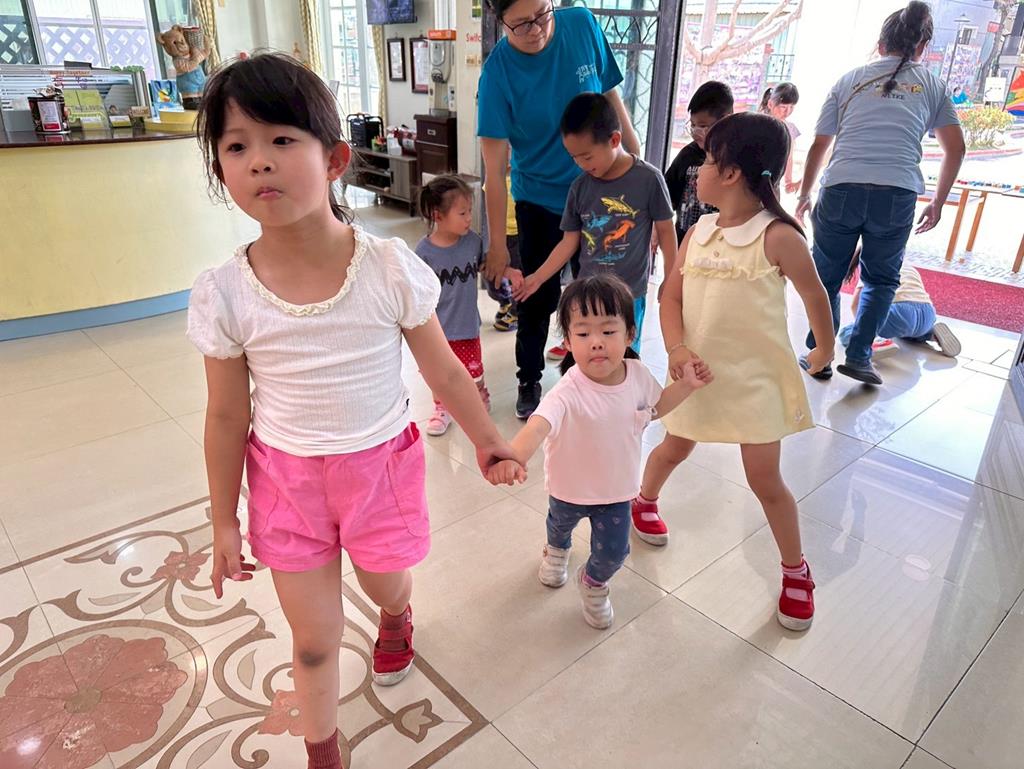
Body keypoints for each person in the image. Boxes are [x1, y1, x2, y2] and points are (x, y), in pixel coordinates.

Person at [187, 54, 515, 769]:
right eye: (237, 147)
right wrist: (222, 519)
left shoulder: (387, 267)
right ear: (221, 170)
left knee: (383, 582)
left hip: (379, 469)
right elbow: (225, 417)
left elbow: (445, 371)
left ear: (335, 159)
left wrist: (488, 439)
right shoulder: (225, 291)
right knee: (312, 640)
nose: (259, 161)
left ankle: (397, 613)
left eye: (281, 139)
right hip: (286, 481)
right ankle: (322, 752)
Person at [635, 112, 834, 630]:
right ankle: (643, 500)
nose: (696, 169)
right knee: (674, 445)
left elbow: (815, 294)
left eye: (705, 159)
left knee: (765, 478)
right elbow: (671, 298)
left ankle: (795, 569)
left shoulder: (779, 236)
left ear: (730, 174)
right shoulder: (698, 231)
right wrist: (676, 349)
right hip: (696, 376)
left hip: (755, 382)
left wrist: (824, 347)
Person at [486, 275, 713, 628]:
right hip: (569, 489)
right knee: (559, 527)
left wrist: (686, 386)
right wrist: (513, 456)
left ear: (630, 334)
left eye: (608, 331)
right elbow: (537, 426)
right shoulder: (567, 391)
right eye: (583, 333)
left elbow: (656, 407)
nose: (596, 342)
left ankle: (593, 583)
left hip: (617, 492)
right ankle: (556, 551)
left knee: (615, 552)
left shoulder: (637, 375)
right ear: (568, 340)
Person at [478, 0, 642, 419]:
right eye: (521, 24)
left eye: (542, 13)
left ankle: (592, 374)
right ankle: (529, 378)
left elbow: (610, 98)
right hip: (540, 199)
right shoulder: (498, 75)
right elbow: (494, 172)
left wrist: (636, 159)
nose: (536, 29)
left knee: (601, 291)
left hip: (599, 191)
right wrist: (497, 245)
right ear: (500, 21)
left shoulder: (582, 25)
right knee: (538, 295)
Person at [796, 0, 966, 386]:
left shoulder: (849, 80)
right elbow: (955, 149)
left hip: (841, 188)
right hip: (897, 192)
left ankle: (819, 354)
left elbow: (821, 144)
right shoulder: (933, 85)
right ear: (922, 46)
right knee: (881, 280)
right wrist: (938, 202)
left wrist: (805, 194)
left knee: (826, 275)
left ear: (880, 43)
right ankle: (859, 356)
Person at [511, 92, 675, 357]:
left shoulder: (649, 179)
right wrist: (538, 277)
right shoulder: (580, 187)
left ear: (614, 140)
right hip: (587, 294)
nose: (580, 164)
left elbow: (666, 232)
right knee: (589, 358)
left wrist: (671, 277)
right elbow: (569, 242)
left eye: (586, 157)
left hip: (629, 294)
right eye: (573, 157)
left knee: (625, 360)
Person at [415, 175, 492, 436]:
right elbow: (416, 292)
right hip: (437, 330)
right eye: (462, 213)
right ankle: (442, 408)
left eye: (470, 211)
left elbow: (486, 266)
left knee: (473, 369)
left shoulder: (473, 242)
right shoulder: (424, 252)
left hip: (467, 325)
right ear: (438, 216)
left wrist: (508, 273)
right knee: (440, 374)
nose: (469, 218)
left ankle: (478, 396)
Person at [840, 247, 961, 357]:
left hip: (900, 313)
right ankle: (931, 334)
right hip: (928, 314)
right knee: (906, 331)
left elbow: (855, 305)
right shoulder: (910, 268)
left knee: (846, 332)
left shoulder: (873, 268)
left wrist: (864, 326)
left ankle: (877, 342)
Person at [665, 81, 734, 245]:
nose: (696, 133)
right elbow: (667, 196)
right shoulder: (687, 155)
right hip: (685, 242)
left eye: (703, 126)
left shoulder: (737, 158)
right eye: (693, 125)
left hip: (723, 244)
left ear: (726, 120)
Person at [760, 82, 801, 194]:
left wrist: (788, 181)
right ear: (770, 104)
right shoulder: (758, 123)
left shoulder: (790, 128)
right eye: (783, 107)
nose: (788, 111)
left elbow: (789, 157)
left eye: (791, 107)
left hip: (774, 181)